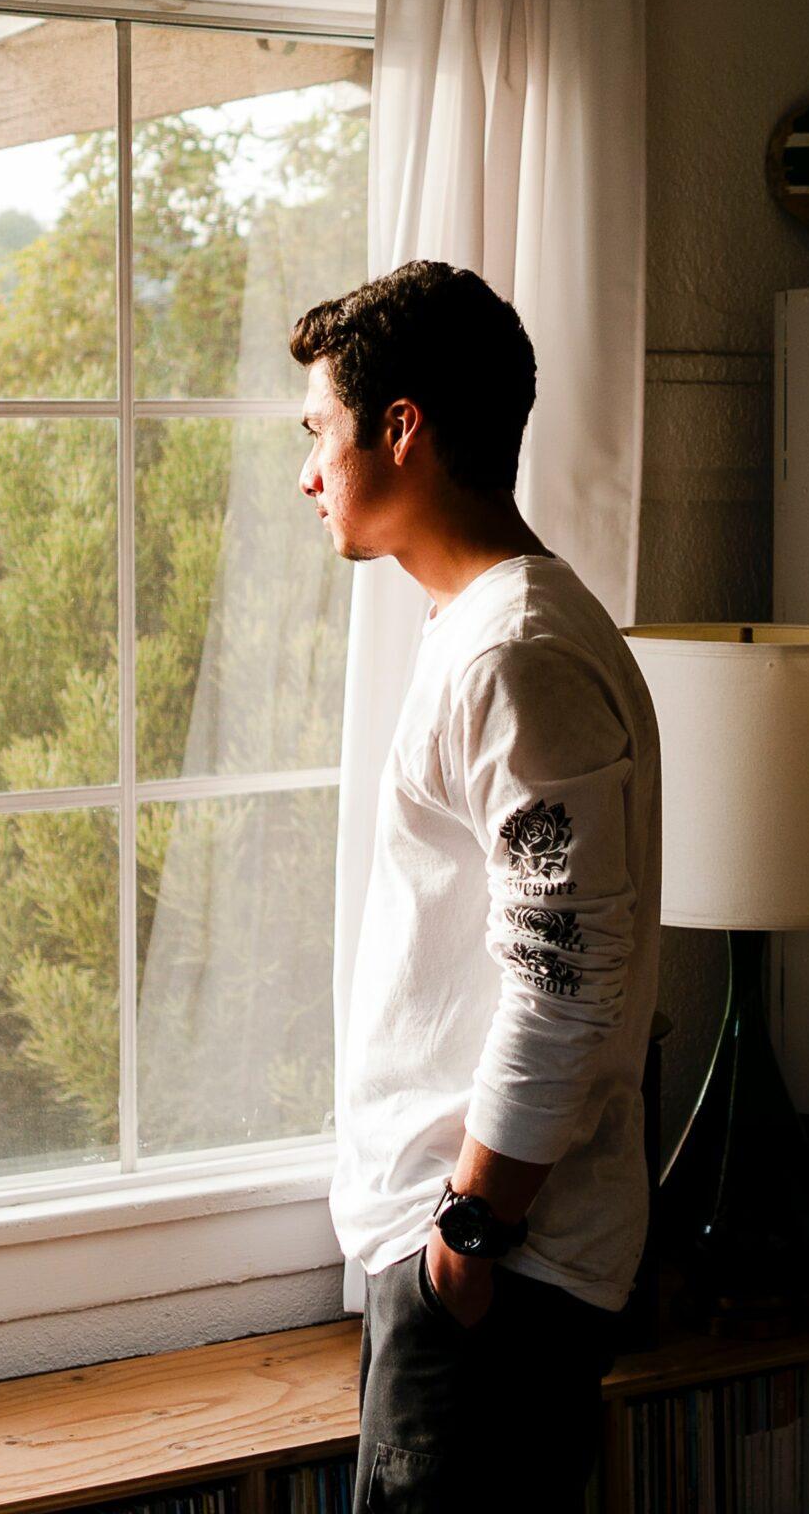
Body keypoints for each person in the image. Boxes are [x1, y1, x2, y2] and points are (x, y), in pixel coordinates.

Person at [293, 260, 662, 1511]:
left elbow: (563, 978)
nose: (307, 475)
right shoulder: (488, 627)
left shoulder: (514, 652)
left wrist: (464, 1237)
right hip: (484, 1266)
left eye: (319, 434)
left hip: (498, 1279)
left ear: (401, 428)